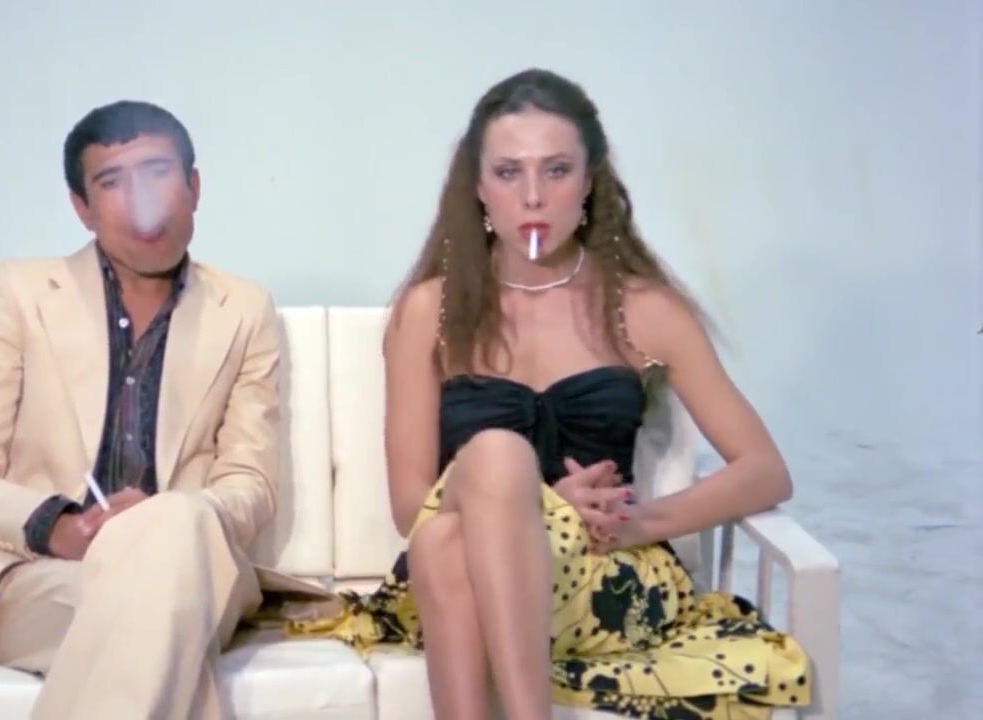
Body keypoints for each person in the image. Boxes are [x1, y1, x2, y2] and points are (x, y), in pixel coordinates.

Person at [288, 69, 811, 720]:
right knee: (476, 487)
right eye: (508, 173)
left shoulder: (643, 308)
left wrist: (637, 522)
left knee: (452, 530)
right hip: (464, 567)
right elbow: (408, 505)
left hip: (602, 574)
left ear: (589, 182)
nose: (533, 196)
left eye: (556, 170)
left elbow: (765, 470)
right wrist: (536, 508)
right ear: (478, 187)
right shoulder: (430, 311)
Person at [0, 99, 308, 720]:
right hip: (49, 574)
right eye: (112, 182)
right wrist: (59, 525)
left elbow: (250, 483)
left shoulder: (244, 308)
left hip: (198, 564)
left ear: (194, 187)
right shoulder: (16, 294)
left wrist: (168, 520)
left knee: (173, 551)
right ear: (82, 207)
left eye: (158, 173)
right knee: (165, 626)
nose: (140, 201)